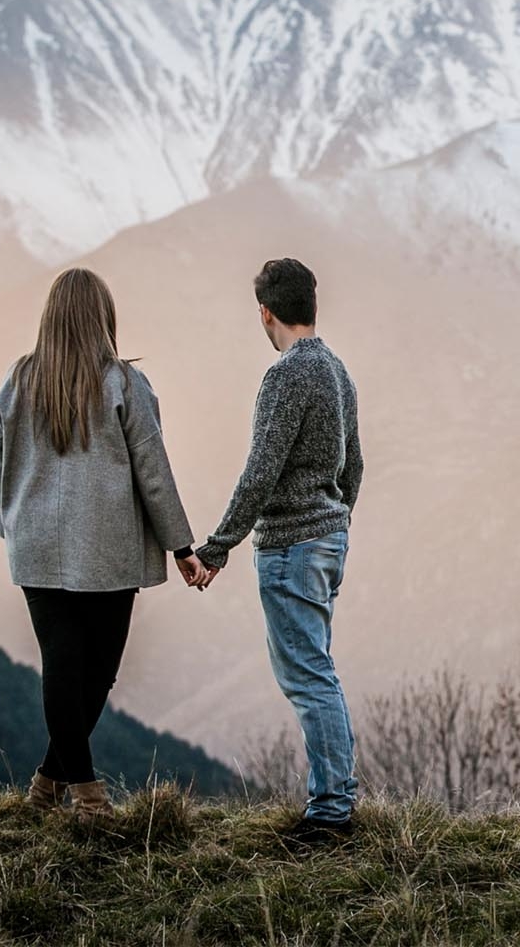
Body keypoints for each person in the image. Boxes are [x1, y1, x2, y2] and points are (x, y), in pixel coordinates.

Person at [0, 267, 207, 817]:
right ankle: (87, 795)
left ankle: (46, 785)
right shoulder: (125, 385)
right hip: (107, 551)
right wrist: (182, 546)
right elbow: (152, 471)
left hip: (35, 546)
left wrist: (8, 525)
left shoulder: (17, 382)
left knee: (62, 668)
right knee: (96, 672)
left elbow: (0, 463)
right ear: (103, 318)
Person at [184, 257, 364, 844]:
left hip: (292, 545)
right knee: (319, 670)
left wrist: (217, 548)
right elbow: (354, 465)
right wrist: (336, 521)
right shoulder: (338, 372)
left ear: (266, 312)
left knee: (309, 677)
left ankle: (332, 812)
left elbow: (260, 473)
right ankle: (333, 802)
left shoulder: (287, 376)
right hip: (328, 538)